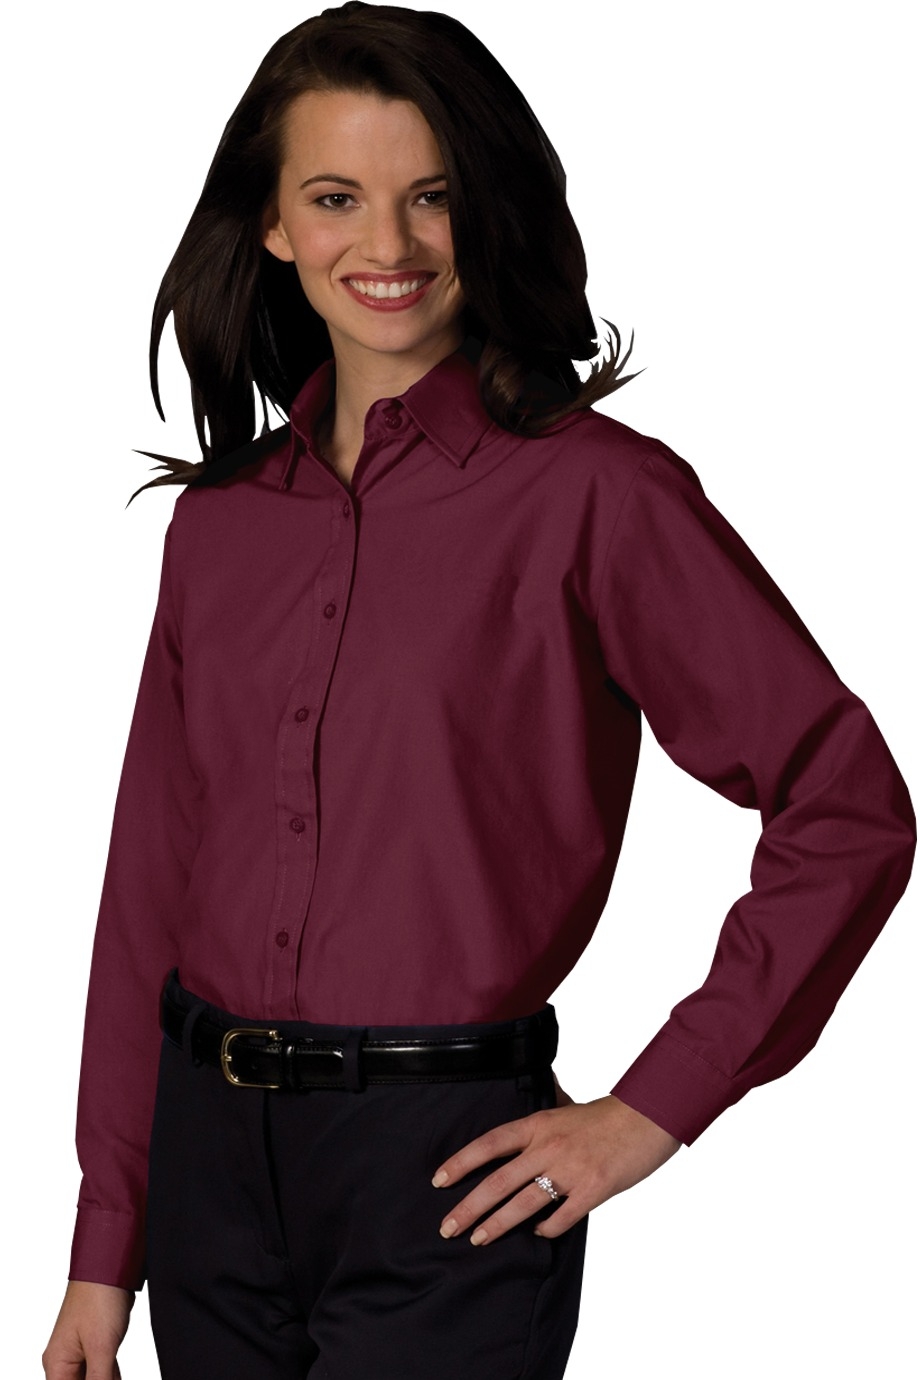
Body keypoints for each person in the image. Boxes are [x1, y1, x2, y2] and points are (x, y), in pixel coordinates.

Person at [42, 4, 915, 1378]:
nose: (387, 247)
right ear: (271, 224)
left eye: (433, 196)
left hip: (448, 1175)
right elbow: (149, 884)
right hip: (206, 1176)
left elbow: (846, 807)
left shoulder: (600, 496)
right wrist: (108, 1240)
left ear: (489, 208)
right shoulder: (220, 528)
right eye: (336, 198)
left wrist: (652, 1109)